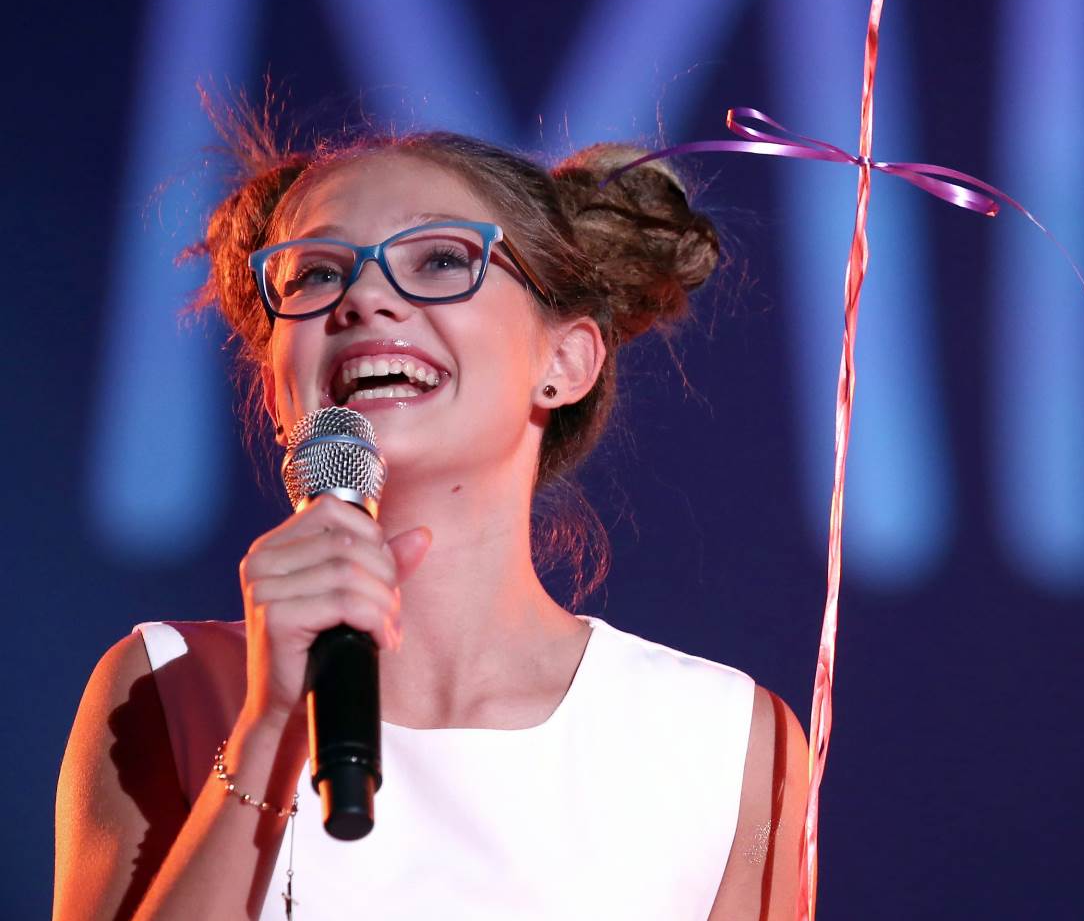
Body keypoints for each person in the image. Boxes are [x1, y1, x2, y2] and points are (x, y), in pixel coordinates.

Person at [53, 111, 808, 920]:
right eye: (315, 274)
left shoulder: (727, 741)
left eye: (442, 258)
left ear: (565, 358)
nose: (365, 297)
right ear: (276, 390)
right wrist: (269, 728)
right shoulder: (161, 687)